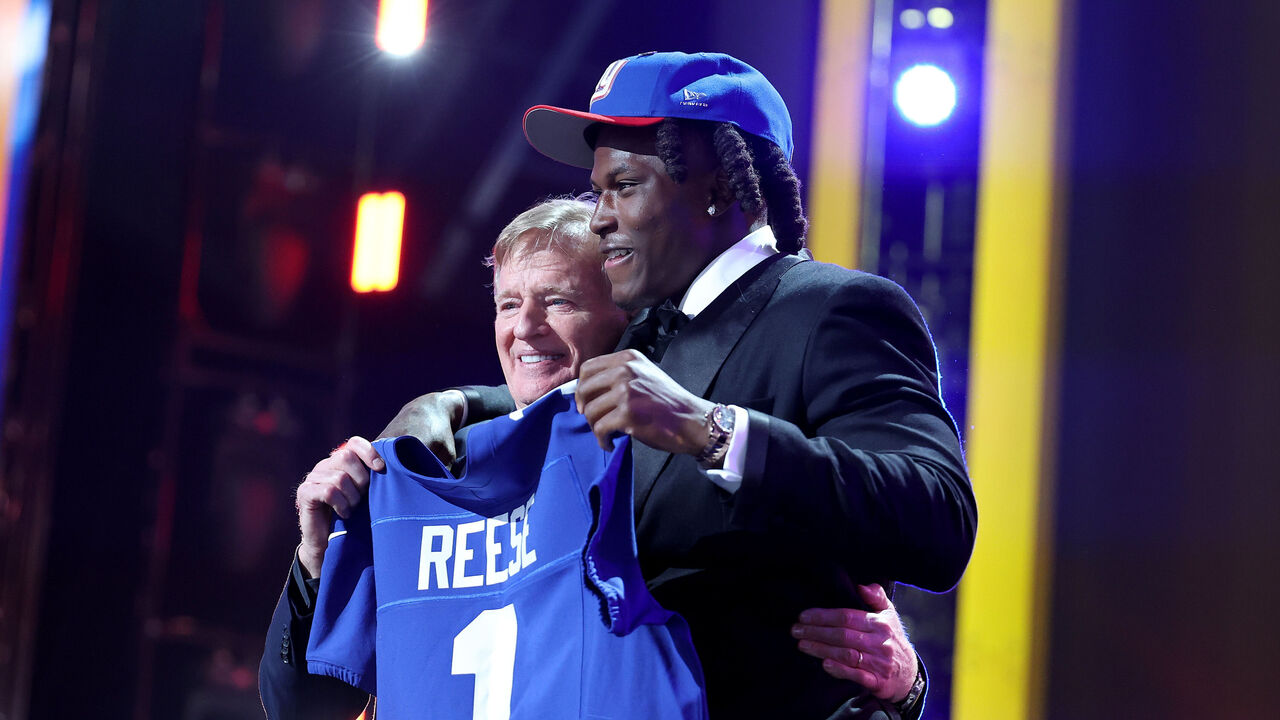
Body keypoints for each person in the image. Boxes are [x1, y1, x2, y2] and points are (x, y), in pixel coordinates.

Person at [383, 52, 976, 717]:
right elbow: (557, 393)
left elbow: (939, 520)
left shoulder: (834, 308)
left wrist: (710, 431)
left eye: (625, 186)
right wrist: (448, 405)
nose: (600, 217)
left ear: (718, 187)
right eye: (598, 190)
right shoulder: (647, 337)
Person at [260, 197, 924, 719]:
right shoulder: (431, 468)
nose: (525, 327)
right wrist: (317, 559)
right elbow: (302, 709)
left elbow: (790, 635)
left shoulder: (679, 460)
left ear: (627, 320)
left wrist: (902, 683)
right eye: (509, 304)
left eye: (559, 301)